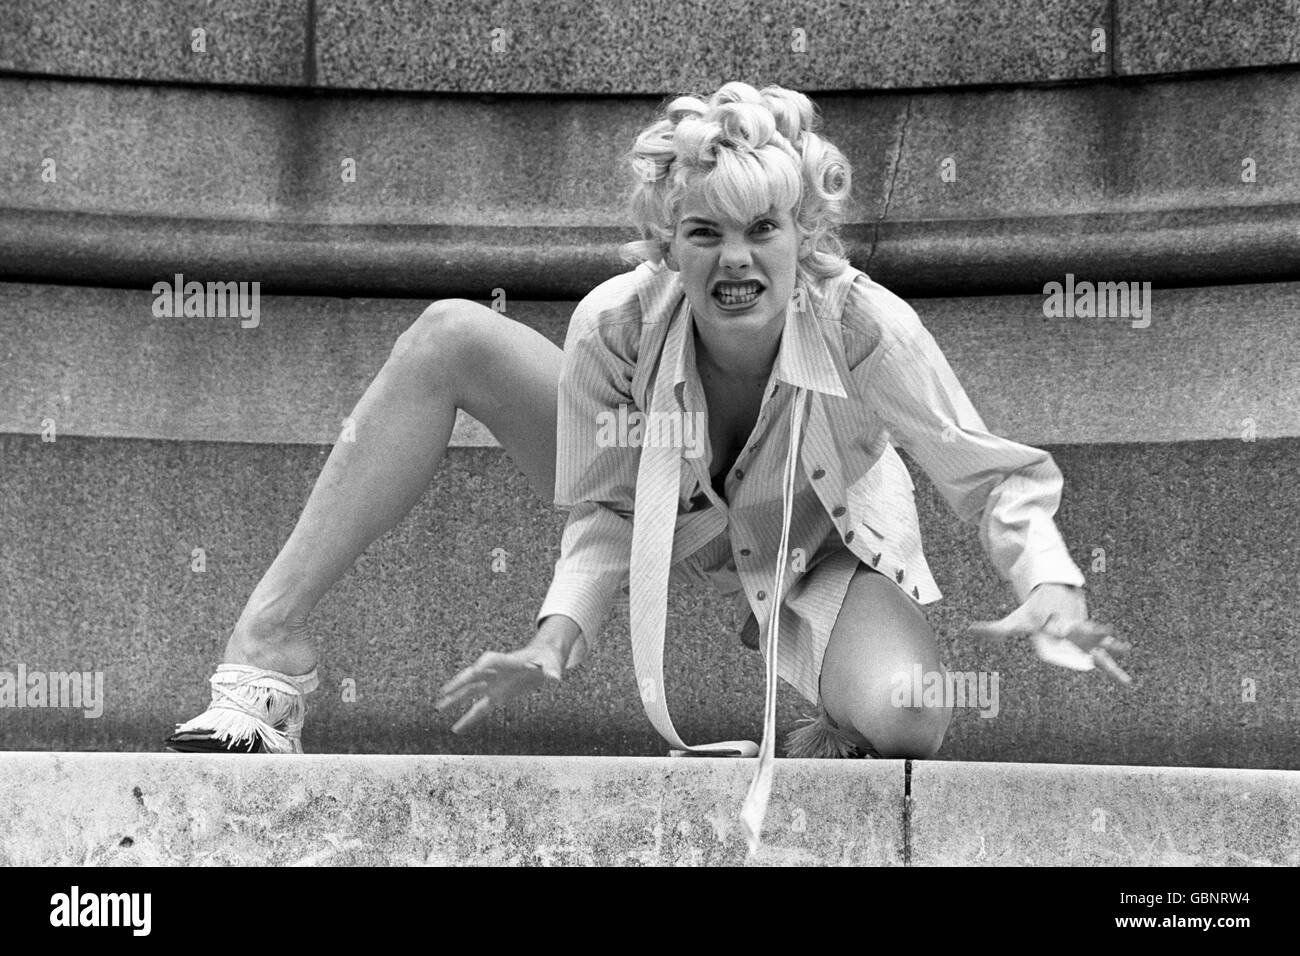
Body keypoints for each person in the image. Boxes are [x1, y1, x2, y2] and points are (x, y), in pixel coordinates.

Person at [167, 83, 1128, 779]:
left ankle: (838, 711)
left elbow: (984, 471)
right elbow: (609, 501)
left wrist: (1047, 585)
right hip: (665, 500)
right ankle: (269, 656)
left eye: (764, 230)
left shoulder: (864, 324)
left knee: (913, 717)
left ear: (808, 240)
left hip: (814, 549)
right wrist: (556, 634)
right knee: (450, 335)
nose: (737, 259)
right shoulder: (617, 325)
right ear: (667, 244)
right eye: (705, 233)